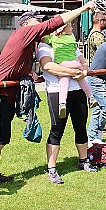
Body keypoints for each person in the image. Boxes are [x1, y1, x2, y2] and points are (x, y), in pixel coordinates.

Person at [0, 1, 96, 190]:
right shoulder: (24, 33)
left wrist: (29, 73)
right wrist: (84, 8)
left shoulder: (30, 45)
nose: (40, 26)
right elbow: (53, 24)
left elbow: (21, 64)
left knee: (1, 138)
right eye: (37, 22)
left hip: (6, 94)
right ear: (28, 23)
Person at [37, 26, 97, 184]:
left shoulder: (70, 42)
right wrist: (72, 72)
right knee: (57, 129)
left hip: (77, 90)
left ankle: (83, 160)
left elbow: (83, 61)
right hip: (57, 92)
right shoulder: (45, 46)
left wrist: (83, 72)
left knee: (81, 126)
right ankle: (51, 168)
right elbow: (48, 66)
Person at [44, 23, 97, 118]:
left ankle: (62, 103)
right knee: (83, 81)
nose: (72, 28)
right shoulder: (72, 39)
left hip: (63, 64)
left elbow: (43, 39)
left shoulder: (54, 39)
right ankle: (91, 97)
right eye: (69, 26)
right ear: (64, 30)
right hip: (76, 64)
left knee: (64, 84)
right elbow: (76, 50)